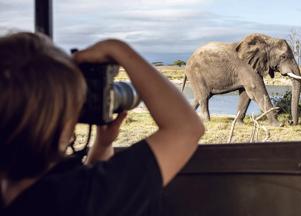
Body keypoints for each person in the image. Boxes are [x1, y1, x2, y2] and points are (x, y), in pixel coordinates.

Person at [0, 32, 205, 215]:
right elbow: (185, 129)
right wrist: (117, 49)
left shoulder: (17, 192)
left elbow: (83, 186)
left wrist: (103, 145)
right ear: (64, 122)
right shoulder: (78, 199)